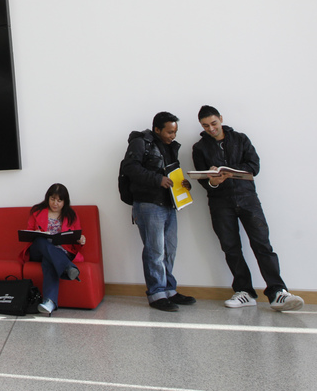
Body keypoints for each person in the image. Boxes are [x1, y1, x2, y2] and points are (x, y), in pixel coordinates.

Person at [191, 105, 304, 311]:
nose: (211, 128)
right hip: (219, 202)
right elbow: (202, 179)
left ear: (221, 119)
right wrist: (215, 180)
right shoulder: (199, 148)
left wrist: (232, 172)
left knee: (262, 244)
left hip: (248, 199)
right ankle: (244, 292)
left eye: (214, 123)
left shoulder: (241, 139)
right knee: (230, 247)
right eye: (206, 126)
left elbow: (254, 166)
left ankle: (277, 292)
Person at [120, 111, 196, 312]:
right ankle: (156, 294)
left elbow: (171, 172)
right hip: (148, 204)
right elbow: (130, 168)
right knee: (155, 251)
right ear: (157, 129)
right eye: (170, 132)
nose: (173, 136)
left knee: (169, 250)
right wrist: (157, 179)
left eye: (175, 132)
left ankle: (169, 290)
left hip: (169, 203)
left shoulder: (170, 147)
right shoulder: (140, 142)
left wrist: (183, 184)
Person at [20, 183, 86, 315]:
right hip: (38, 250)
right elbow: (30, 233)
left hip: (61, 251)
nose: (55, 203)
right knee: (40, 241)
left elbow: (75, 239)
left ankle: (49, 302)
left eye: (59, 200)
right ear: (47, 198)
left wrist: (81, 240)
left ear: (65, 201)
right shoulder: (37, 211)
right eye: (52, 199)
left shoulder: (71, 215)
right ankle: (68, 267)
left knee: (48, 260)